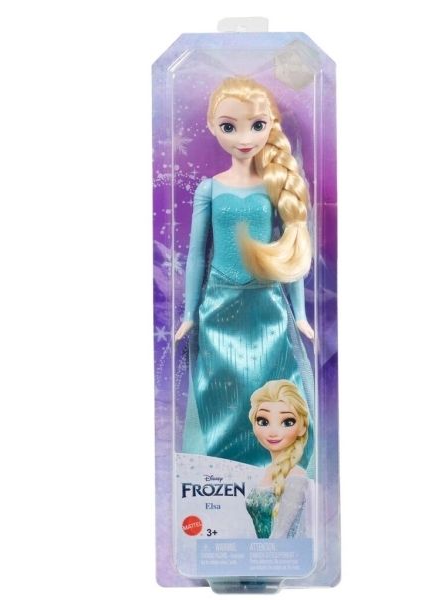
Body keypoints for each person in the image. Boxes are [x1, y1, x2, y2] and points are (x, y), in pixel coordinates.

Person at [174, 77, 314, 467]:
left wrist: (300, 315)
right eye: (229, 126)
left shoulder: (274, 188)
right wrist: (189, 314)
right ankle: (217, 470)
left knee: (273, 387)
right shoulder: (210, 189)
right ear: (211, 126)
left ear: (271, 126)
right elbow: (196, 255)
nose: (244, 138)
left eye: (257, 125)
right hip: (219, 304)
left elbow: (291, 253)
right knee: (220, 390)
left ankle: (279, 467)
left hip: (267, 305)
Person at [245, 380, 311, 538]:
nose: (273, 432)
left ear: (302, 427)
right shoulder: (266, 471)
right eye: (263, 421)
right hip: (261, 551)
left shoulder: (296, 476)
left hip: (282, 552)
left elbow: (280, 535)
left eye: (287, 422)